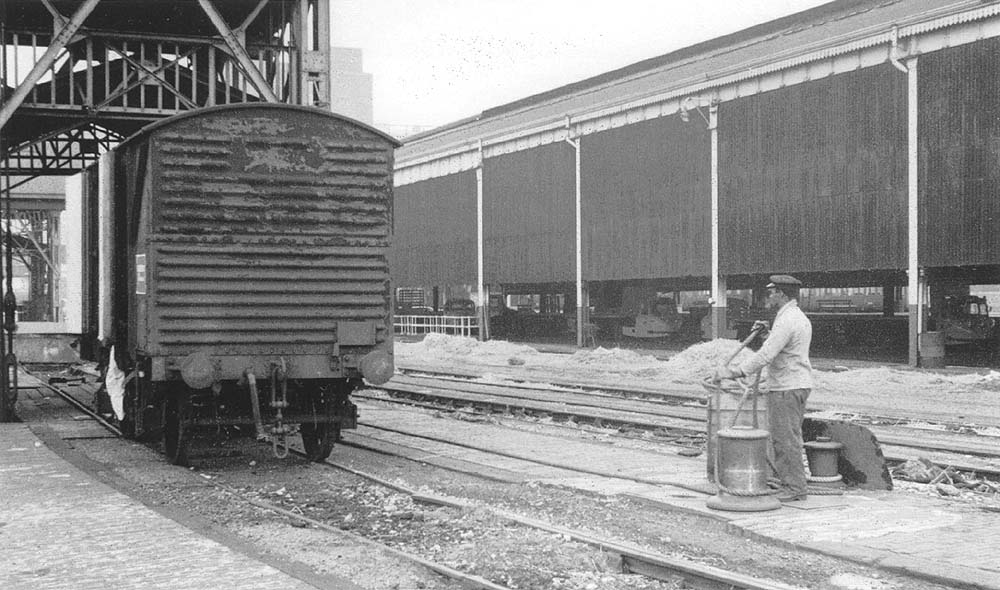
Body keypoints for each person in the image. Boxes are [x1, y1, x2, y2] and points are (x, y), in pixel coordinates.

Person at [714, 274, 813, 502]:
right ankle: (790, 483)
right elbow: (781, 346)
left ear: (781, 293)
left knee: (785, 439)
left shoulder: (788, 320)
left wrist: (736, 371)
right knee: (786, 437)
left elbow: (766, 354)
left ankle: (795, 488)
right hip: (794, 384)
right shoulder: (793, 317)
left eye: (771, 292)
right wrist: (768, 334)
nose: (768, 296)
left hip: (787, 387)